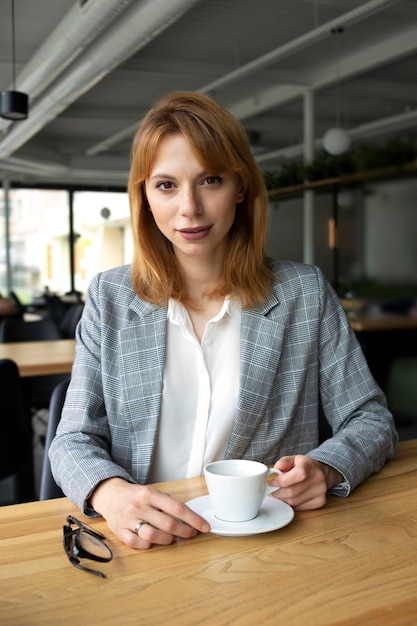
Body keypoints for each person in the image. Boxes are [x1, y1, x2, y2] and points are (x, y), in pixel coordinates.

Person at [50, 91, 398, 550]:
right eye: (166, 185)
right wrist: (112, 494)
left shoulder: (303, 293)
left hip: (268, 547)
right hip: (147, 545)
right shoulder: (109, 297)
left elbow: (371, 420)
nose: (189, 208)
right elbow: (72, 438)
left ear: (241, 186)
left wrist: (329, 466)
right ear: (145, 197)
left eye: (209, 180)